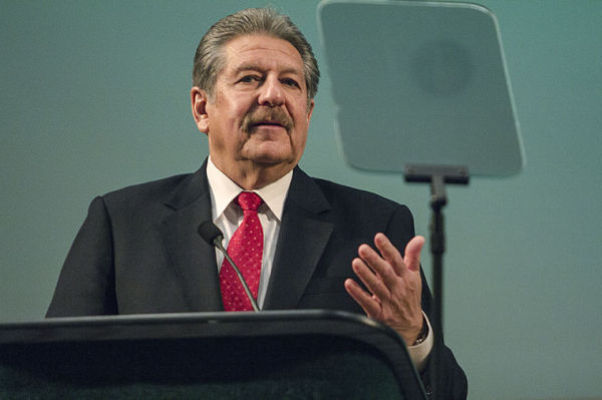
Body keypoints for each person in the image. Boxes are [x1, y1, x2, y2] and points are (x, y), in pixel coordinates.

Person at [47, 8, 467, 398]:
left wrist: (412, 336)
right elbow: (52, 374)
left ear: (308, 110)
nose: (273, 95)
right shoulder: (123, 223)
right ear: (201, 107)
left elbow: (449, 392)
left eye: (290, 82)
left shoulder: (374, 226)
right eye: (250, 78)